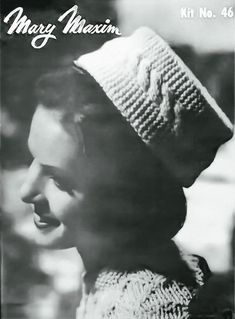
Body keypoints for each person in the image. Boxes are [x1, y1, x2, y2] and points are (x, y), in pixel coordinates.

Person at [20, 27, 233, 318]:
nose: (26, 190)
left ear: (124, 194)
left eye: (59, 180)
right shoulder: (112, 278)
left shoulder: (145, 308)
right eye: (34, 161)